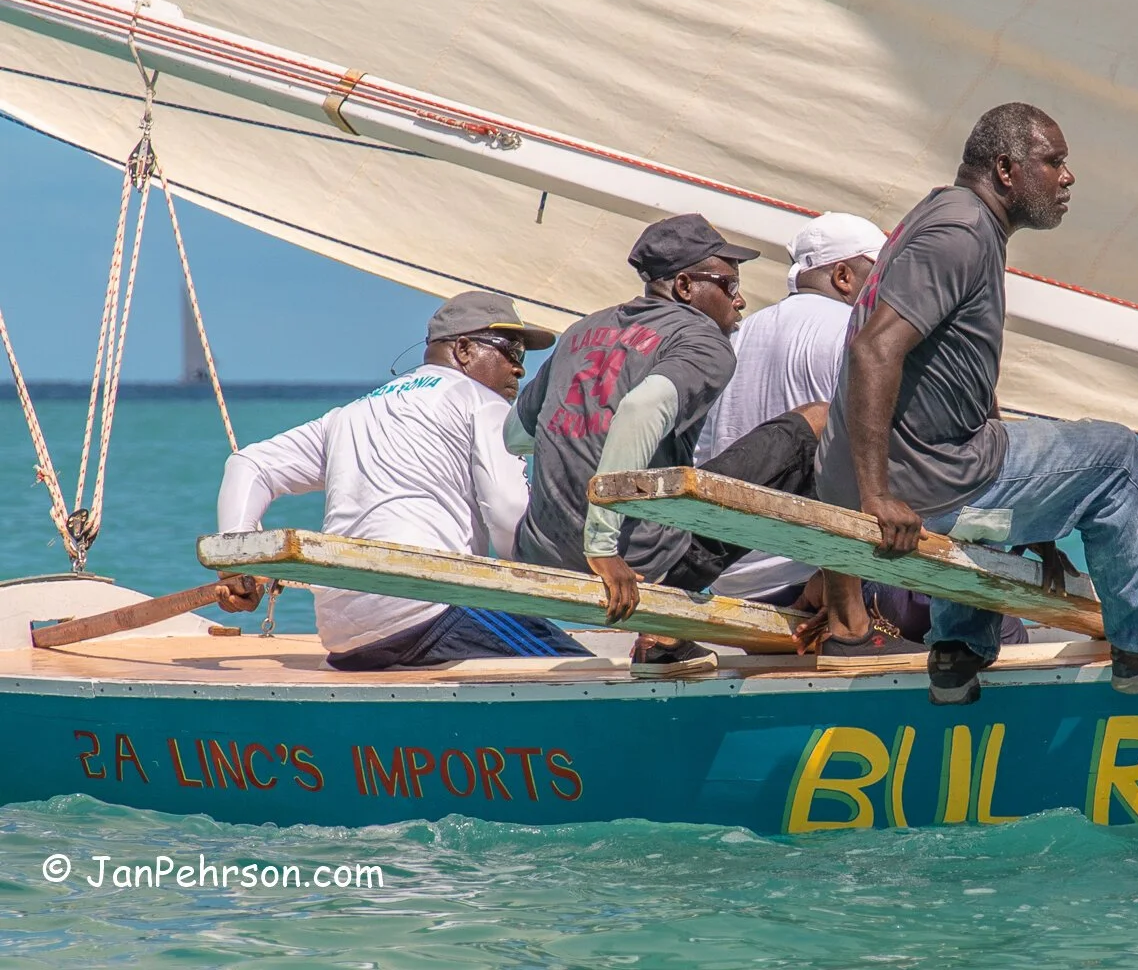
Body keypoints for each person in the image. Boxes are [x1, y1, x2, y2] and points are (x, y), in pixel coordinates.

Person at [815, 102, 1138, 705]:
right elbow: (872, 351)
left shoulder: (946, 218)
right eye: (1054, 161)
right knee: (1118, 457)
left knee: (1003, 452)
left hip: (916, 475)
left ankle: (957, 652)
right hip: (915, 487)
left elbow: (963, 391)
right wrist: (876, 495)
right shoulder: (961, 232)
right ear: (1006, 169)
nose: (1067, 177)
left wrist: (1039, 515)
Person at [505, 212, 923, 676]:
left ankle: (667, 635)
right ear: (685, 286)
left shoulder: (583, 332)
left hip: (544, 552)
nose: (739, 300)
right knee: (820, 422)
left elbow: (517, 434)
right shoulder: (700, 338)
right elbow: (641, 410)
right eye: (727, 284)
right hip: (628, 559)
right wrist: (601, 542)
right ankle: (848, 628)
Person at [214, 291, 591, 670]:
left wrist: (237, 562)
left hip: (344, 634)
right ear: (463, 349)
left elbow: (250, 464)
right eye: (511, 351)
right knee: (589, 674)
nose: (520, 369)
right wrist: (583, 578)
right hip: (428, 611)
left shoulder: (351, 413)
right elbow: (510, 520)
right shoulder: (482, 402)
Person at [694, 212, 885, 604]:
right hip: (816, 585)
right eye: (883, 272)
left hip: (733, 584)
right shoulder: (861, 336)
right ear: (843, 276)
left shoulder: (733, 340)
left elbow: (702, 455)